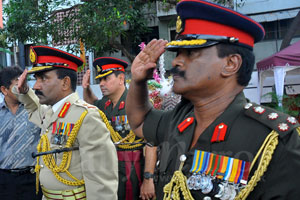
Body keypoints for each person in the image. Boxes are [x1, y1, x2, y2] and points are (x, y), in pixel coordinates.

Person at [126, 0, 300, 199]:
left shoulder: (274, 139)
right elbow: (140, 122)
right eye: (178, 53)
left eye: (190, 53)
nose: (176, 61)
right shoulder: (181, 119)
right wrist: (138, 81)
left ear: (230, 64)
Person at [14, 46, 118, 200]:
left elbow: (101, 181)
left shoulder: (85, 116)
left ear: (65, 83)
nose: (36, 86)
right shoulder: (50, 112)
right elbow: (33, 109)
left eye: (43, 78)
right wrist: (24, 92)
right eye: (36, 79)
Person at [82, 57, 148, 200]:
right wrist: (86, 88)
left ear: (121, 78)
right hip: (110, 164)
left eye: (106, 79)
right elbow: (92, 104)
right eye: (100, 80)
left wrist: (149, 178)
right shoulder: (106, 103)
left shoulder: (136, 102)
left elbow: (151, 142)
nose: (101, 84)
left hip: (132, 165)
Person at [0, 66, 42, 200]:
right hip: (4, 181)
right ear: (4, 90)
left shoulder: (35, 109)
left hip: (33, 178)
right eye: (18, 84)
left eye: (25, 83)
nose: (22, 88)